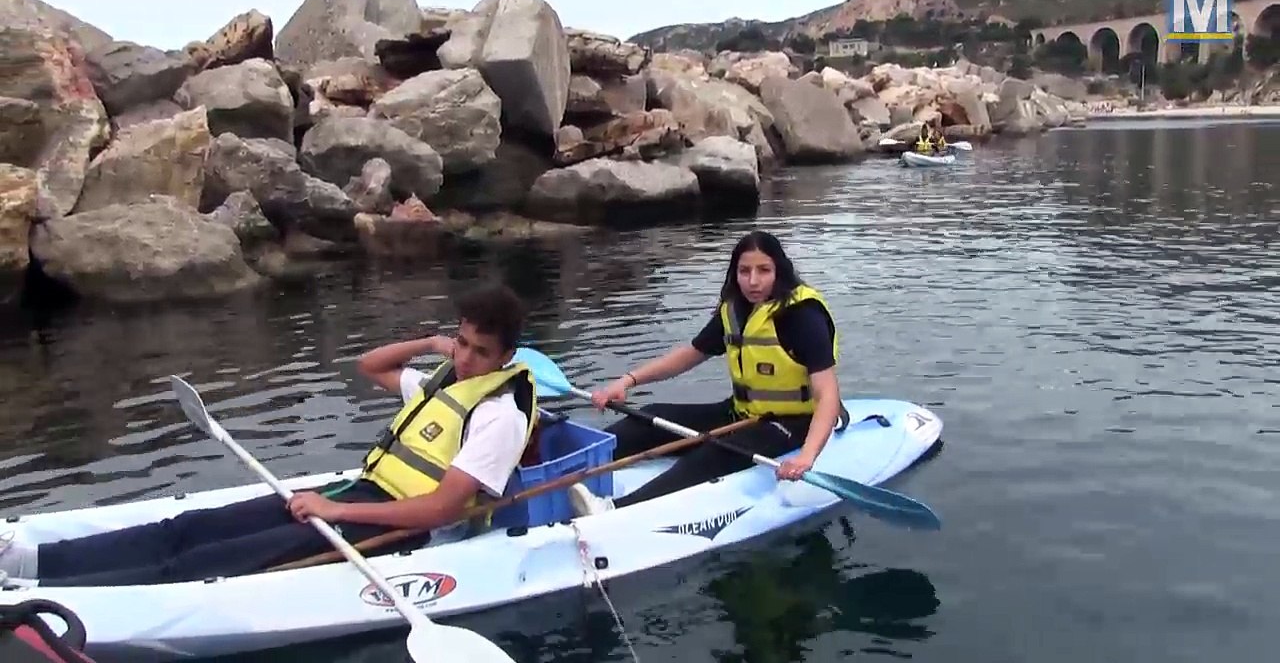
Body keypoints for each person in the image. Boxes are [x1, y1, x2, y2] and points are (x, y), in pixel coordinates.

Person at [0, 282, 537, 587]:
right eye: (462, 342)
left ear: (507, 356)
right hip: (360, 496)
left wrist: (336, 510)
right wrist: (431, 344)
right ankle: (32, 563)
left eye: (480, 351)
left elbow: (442, 510)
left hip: (400, 532)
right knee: (190, 528)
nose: (465, 358)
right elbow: (370, 366)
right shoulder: (448, 380)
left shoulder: (499, 415)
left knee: (201, 563)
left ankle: (42, 593)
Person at [567, 231, 847, 516]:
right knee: (652, 416)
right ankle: (564, 468)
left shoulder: (803, 315)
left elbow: (827, 394)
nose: (753, 281)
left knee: (713, 452)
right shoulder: (736, 310)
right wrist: (628, 381)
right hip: (743, 414)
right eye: (744, 271)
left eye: (764, 270)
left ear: (780, 270)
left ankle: (612, 510)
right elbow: (690, 354)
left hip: (795, 423)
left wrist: (806, 456)